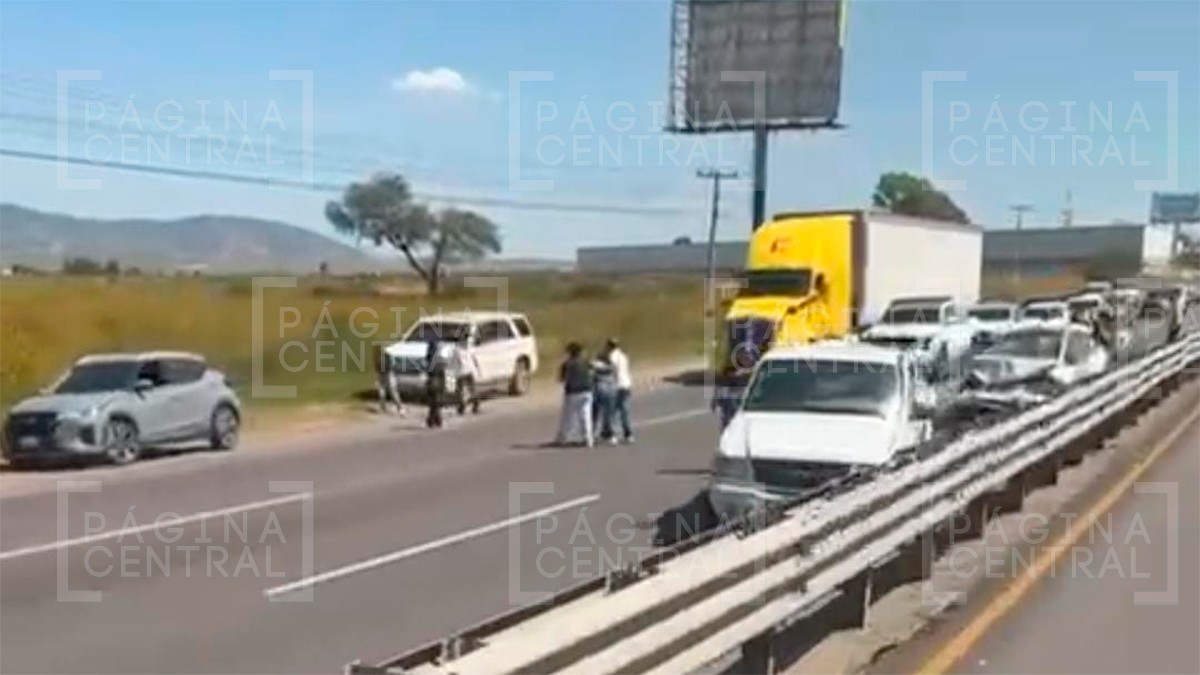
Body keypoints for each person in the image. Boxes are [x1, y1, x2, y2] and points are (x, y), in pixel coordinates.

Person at [555, 342, 594, 447]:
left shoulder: (567, 363)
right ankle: (588, 438)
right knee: (586, 416)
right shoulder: (587, 361)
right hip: (587, 391)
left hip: (573, 392)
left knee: (567, 417)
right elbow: (592, 372)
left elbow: (561, 379)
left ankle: (562, 438)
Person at [605, 338, 635, 443]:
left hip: (616, 386)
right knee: (624, 411)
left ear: (609, 346)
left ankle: (613, 435)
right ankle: (628, 434)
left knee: (612, 411)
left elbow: (611, 371)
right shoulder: (623, 356)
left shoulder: (611, 356)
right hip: (626, 384)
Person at [591, 351, 618, 444]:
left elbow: (592, 372)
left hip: (600, 390)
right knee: (609, 414)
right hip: (611, 390)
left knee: (595, 413)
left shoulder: (597, 365)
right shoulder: (611, 366)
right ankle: (612, 435)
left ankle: (593, 433)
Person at [451, 337, 482, 416]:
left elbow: (454, 362)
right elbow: (475, 360)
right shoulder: (464, 349)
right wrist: (478, 369)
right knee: (469, 390)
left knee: (463, 391)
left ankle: (465, 406)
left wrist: (478, 369)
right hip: (465, 371)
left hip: (463, 371)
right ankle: (471, 405)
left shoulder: (456, 350)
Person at [375, 347, 406, 416]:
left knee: (388, 391)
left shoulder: (384, 356)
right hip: (385, 374)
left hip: (385, 374)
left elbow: (392, 365)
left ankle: (398, 408)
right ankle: (386, 407)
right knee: (386, 392)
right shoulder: (383, 356)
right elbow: (378, 367)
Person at [424, 337, 447, 429]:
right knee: (436, 401)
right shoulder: (440, 361)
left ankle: (433, 420)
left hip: (433, 381)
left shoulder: (432, 361)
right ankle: (435, 420)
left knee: (434, 402)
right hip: (436, 381)